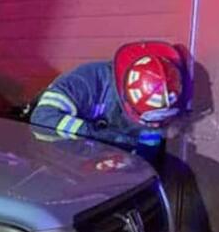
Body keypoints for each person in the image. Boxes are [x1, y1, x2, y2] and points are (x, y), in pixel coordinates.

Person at [29, 41, 189, 162]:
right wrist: (102, 137)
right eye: (151, 120)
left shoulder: (156, 107)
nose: (155, 125)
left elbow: (146, 149)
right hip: (54, 161)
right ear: (128, 101)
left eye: (162, 118)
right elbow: (42, 118)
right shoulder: (84, 83)